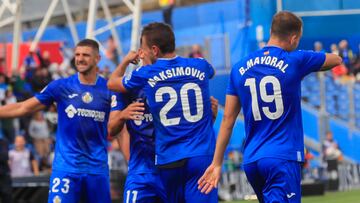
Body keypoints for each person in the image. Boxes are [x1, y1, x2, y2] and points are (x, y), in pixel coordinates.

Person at [197, 11, 342, 203]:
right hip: (281, 158)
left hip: (252, 161)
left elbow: (228, 120)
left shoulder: (239, 68)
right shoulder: (295, 60)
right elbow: (336, 59)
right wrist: (306, 59)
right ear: (294, 38)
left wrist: (216, 163)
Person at [0, 39, 139, 203]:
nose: (80, 59)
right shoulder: (61, 86)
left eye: (86, 55)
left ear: (97, 59)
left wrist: (132, 165)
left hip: (97, 171)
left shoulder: (109, 90)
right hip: (65, 170)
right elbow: (23, 108)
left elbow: (120, 131)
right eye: (77, 54)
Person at [108, 22, 218, 202]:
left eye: (142, 49)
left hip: (169, 158)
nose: (140, 52)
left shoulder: (146, 73)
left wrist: (127, 60)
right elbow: (210, 72)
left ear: (154, 50)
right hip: (200, 155)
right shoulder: (200, 65)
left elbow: (112, 82)